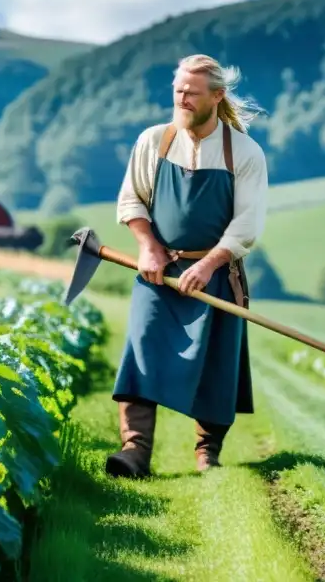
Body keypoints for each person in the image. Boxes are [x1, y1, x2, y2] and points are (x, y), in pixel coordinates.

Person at [107, 53, 269, 478]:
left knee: (217, 362)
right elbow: (131, 200)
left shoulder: (244, 154)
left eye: (191, 93)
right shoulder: (153, 141)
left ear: (216, 97)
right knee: (141, 349)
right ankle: (134, 452)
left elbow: (247, 224)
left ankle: (207, 455)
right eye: (177, 89)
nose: (181, 98)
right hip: (157, 273)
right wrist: (148, 246)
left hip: (216, 275)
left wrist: (211, 263)